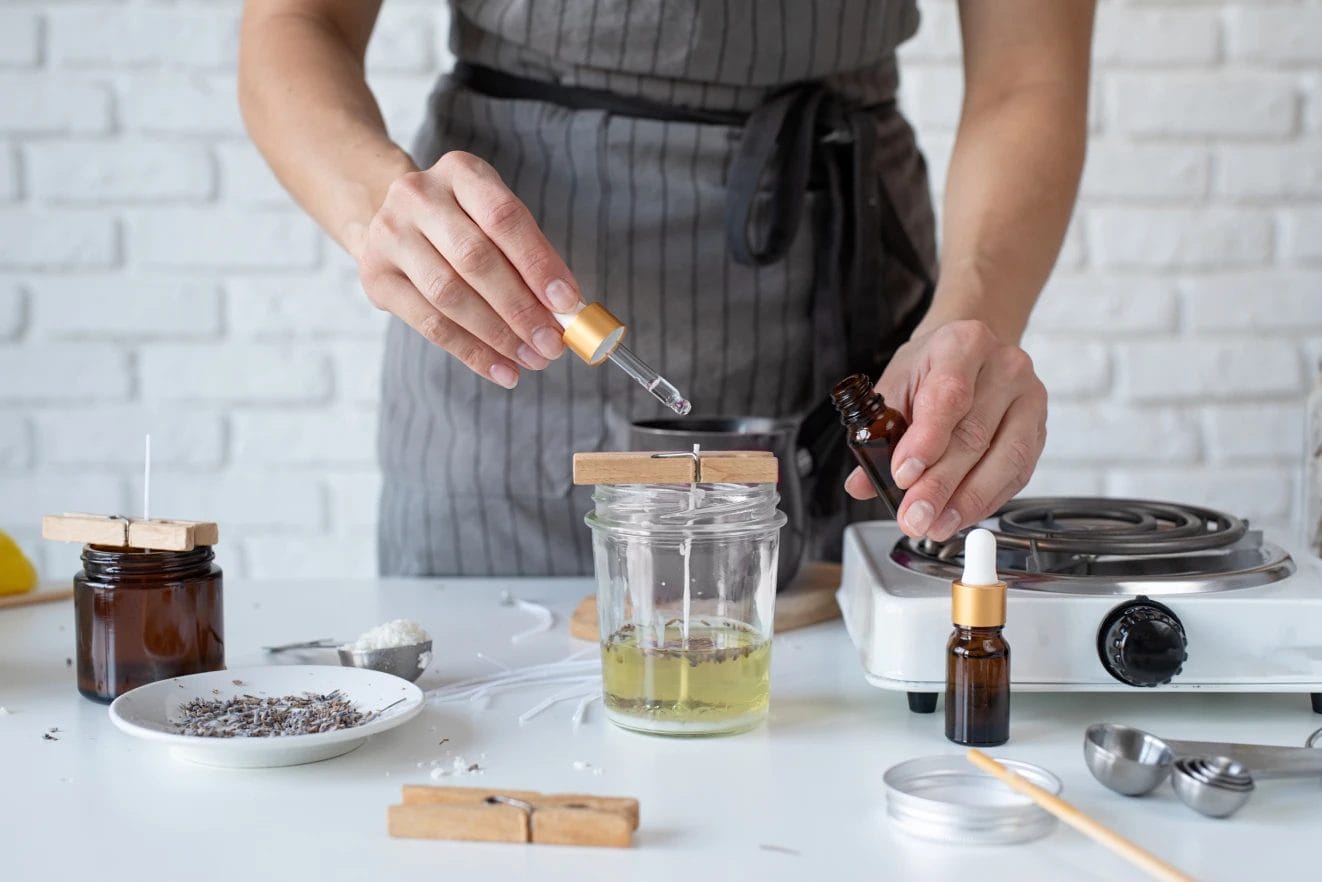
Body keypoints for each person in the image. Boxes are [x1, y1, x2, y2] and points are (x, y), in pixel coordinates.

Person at [238, 1, 1094, 576]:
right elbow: (296, 20)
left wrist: (971, 317)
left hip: (850, 299)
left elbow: (1030, 78)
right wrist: (373, 204)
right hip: (504, 328)